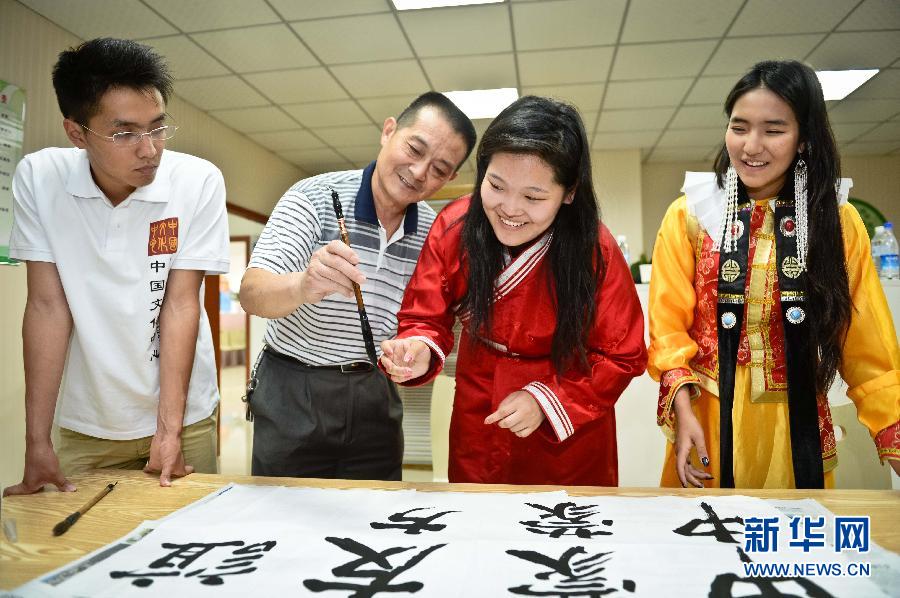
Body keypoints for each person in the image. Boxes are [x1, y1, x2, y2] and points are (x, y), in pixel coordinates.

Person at [648, 60, 900, 489]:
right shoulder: (689, 215)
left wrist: (891, 428)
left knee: (789, 546)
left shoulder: (835, 222)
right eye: (739, 126)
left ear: (804, 138)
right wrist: (683, 410)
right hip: (708, 416)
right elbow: (668, 329)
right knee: (703, 546)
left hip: (795, 424)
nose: (751, 145)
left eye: (774, 130)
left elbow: (866, 343)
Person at [380, 96, 647, 486]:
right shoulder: (456, 226)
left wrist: (547, 400)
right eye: (496, 185)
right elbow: (425, 313)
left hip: (566, 416)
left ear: (569, 192)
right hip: (481, 405)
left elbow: (622, 354)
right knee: (478, 529)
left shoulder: (596, 250)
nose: (509, 209)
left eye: (533, 197)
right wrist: (417, 347)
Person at [3, 38, 229, 496]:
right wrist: (36, 439)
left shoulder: (196, 181)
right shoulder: (40, 178)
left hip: (184, 418)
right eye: (124, 133)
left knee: (184, 542)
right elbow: (47, 307)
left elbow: (180, 306)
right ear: (76, 133)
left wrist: (169, 432)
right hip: (88, 422)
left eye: (158, 127)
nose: (149, 149)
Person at [240, 92, 475, 481]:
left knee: (376, 516)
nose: (419, 172)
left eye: (439, 169)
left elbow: (432, 322)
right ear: (388, 132)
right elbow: (252, 292)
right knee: (285, 522)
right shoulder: (313, 196)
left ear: (451, 178)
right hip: (295, 388)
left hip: (374, 392)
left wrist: (413, 346)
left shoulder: (436, 233)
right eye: (414, 149)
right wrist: (303, 285)